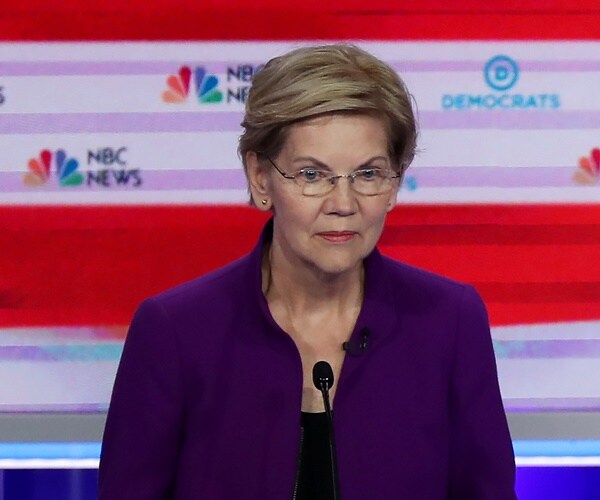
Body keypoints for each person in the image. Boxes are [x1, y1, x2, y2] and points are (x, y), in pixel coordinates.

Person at [99, 44, 516, 499]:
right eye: (312, 175)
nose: (343, 204)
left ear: (395, 182)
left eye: (368, 174)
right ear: (260, 177)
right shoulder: (176, 332)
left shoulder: (449, 322)